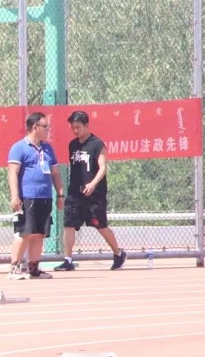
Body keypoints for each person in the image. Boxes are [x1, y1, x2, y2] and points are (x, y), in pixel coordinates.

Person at [55, 111, 127, 271]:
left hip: (95, 195)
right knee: (69, 224)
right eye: (73, 128)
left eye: (78, 127)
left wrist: (93, 184)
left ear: (87, 125)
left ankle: (118, 253)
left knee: (100, 225)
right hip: (75, 193)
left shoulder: (97, 144)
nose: (75, 131)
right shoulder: (72, 145)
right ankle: (68, 260)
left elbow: (103, 168)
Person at [7, 112, 64, 280]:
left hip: (45, 197)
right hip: (27, 197)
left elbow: (55, 173)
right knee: (24, 233)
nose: (47, 130)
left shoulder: (48, 148)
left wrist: (60, 195)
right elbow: (12, 173)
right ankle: (14, 269)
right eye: (45, 127)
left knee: (39, 234)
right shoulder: (19, 148)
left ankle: (33, 269)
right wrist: (15, 196)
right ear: (34, 127)